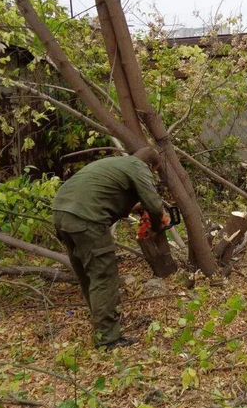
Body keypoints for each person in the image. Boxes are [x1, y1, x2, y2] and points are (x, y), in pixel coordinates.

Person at [53, 147, 169, 349]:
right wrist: (157, 226)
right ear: (151, 166)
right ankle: (109, 340)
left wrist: (137, 208)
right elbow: (155, 205)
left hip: (61, 213)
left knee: (87, 274)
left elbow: (103, 196)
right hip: (88, 219)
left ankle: (101, 325)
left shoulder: (113, 164)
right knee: (104, 276)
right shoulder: (138, 166)